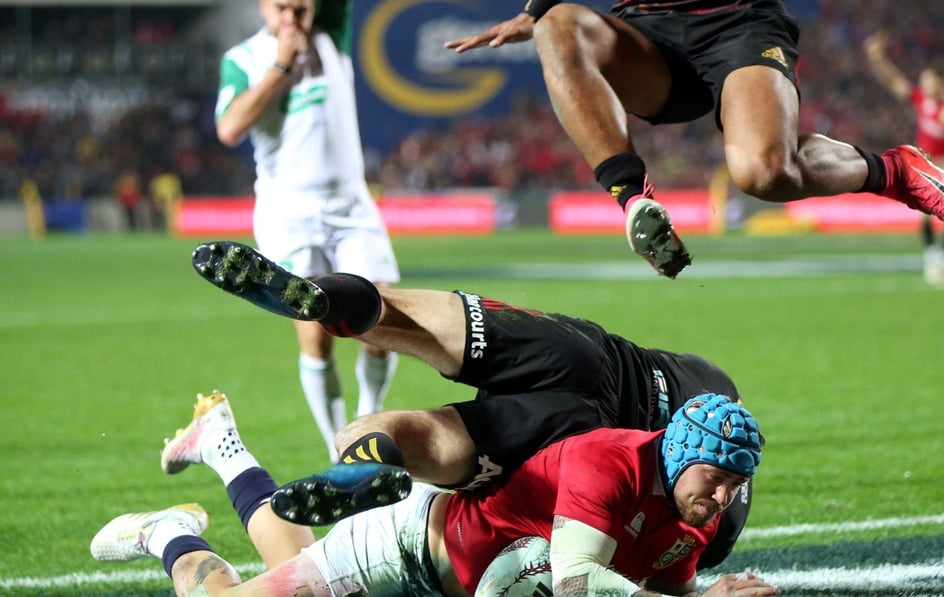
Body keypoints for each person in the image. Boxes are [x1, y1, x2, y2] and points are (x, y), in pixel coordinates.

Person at [193, 240, 752, 571]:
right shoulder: (711, 522)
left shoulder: (713, 383)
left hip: (586, 353)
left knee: (403, 317)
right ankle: (369, 457)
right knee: (430, 439)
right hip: (581, 445)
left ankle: (327, 299)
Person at [441, 0, 944, 279]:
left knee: (765, 174)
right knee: (556, 26)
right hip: (649, 35)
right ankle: (632, 199)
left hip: (741, 24)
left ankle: (898, 170)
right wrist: (534, 11)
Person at [92, 390, 779, 596]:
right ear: (680, 454)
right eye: (715, 477)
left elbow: (666, 592)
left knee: (283, 562)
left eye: (735, 486)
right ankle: (167, 531)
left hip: (451, 581)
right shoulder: (612, 461)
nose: (722, 497)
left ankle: (221, 442)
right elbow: (574, 585)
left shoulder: (690, 524)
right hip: (400, 549)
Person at [215, 0, 400, 462]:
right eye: (282, 8)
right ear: (262, 7)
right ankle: (339, 449)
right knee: (315, 329)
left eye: (301, 8)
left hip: (351, 206)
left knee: (380, 317)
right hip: (288, 212)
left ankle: (368, 422)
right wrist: (280, 63)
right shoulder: (243, 59)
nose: (293, 19)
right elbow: (231, 127)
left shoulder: (330, 34)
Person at [863, 32, 944, 289]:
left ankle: (943, 258)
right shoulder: (923, 100)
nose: (924, 86)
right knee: (924, 214)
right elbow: (895, 82)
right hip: (928, 168)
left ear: (942, 82)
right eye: (923, 82)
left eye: (928, 81)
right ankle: (932, 256)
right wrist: (877, 58)